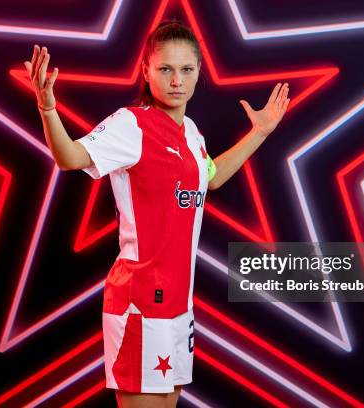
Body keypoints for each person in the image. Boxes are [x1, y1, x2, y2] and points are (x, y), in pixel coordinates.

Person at [24, 20, 289, 408]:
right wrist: (48, 110)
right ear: (147, 72)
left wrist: (260, 133)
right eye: (165, 69)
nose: (176, 80)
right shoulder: (131, 124)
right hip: (140, 301)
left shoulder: (192, 133)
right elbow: (70, 158)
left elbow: (209, 178)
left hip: (179, 304)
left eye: (186, 69)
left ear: (199, 72)